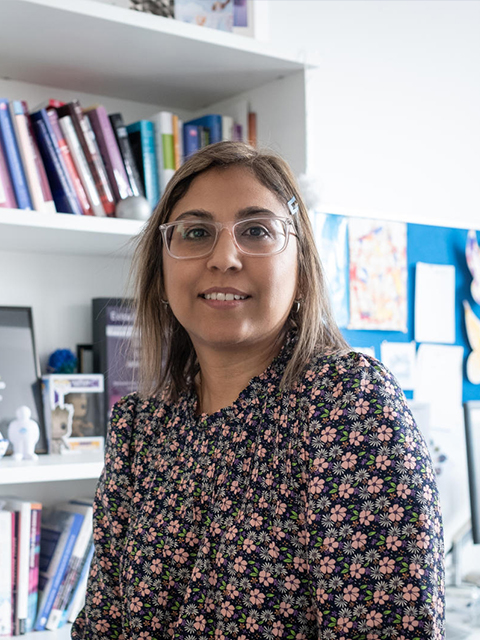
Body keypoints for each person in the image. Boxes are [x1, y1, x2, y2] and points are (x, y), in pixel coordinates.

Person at [72, 141, 444, 639]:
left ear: (302, 269)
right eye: (196, 232)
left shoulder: (345, 402)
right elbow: (104, 623)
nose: (224, 257)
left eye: (256, 231)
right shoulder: (141, 426)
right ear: (161, 272)